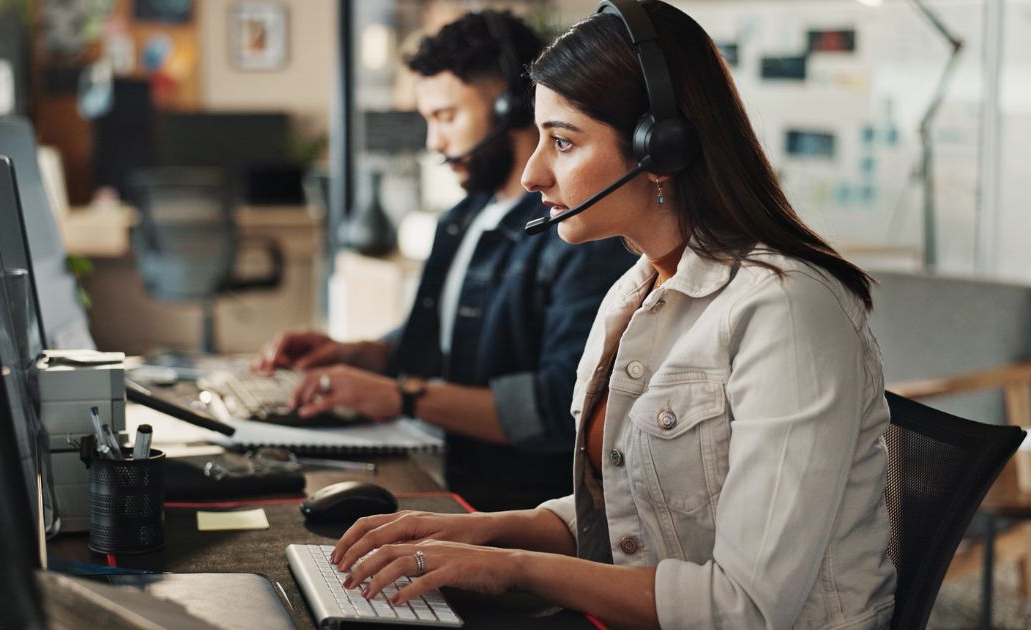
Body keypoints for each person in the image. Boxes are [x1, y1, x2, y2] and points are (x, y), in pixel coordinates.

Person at [325, 2, 897, 628]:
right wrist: (478, 532)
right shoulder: (638, 291)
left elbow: (745, 608)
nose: (534, 171)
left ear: (662, 149)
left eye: (563, 142)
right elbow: (643, 518)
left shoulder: (786, 311)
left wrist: (514, 567)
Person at [256, 10, 637, 511]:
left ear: (507, 106)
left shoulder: (576, 231)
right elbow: (441, 342)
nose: (434, 142)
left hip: (514, 504)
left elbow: (560, 406)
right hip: (435, 470)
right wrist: (357, 354)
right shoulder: (461, 218)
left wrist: (404, 396)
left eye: (446, 117)